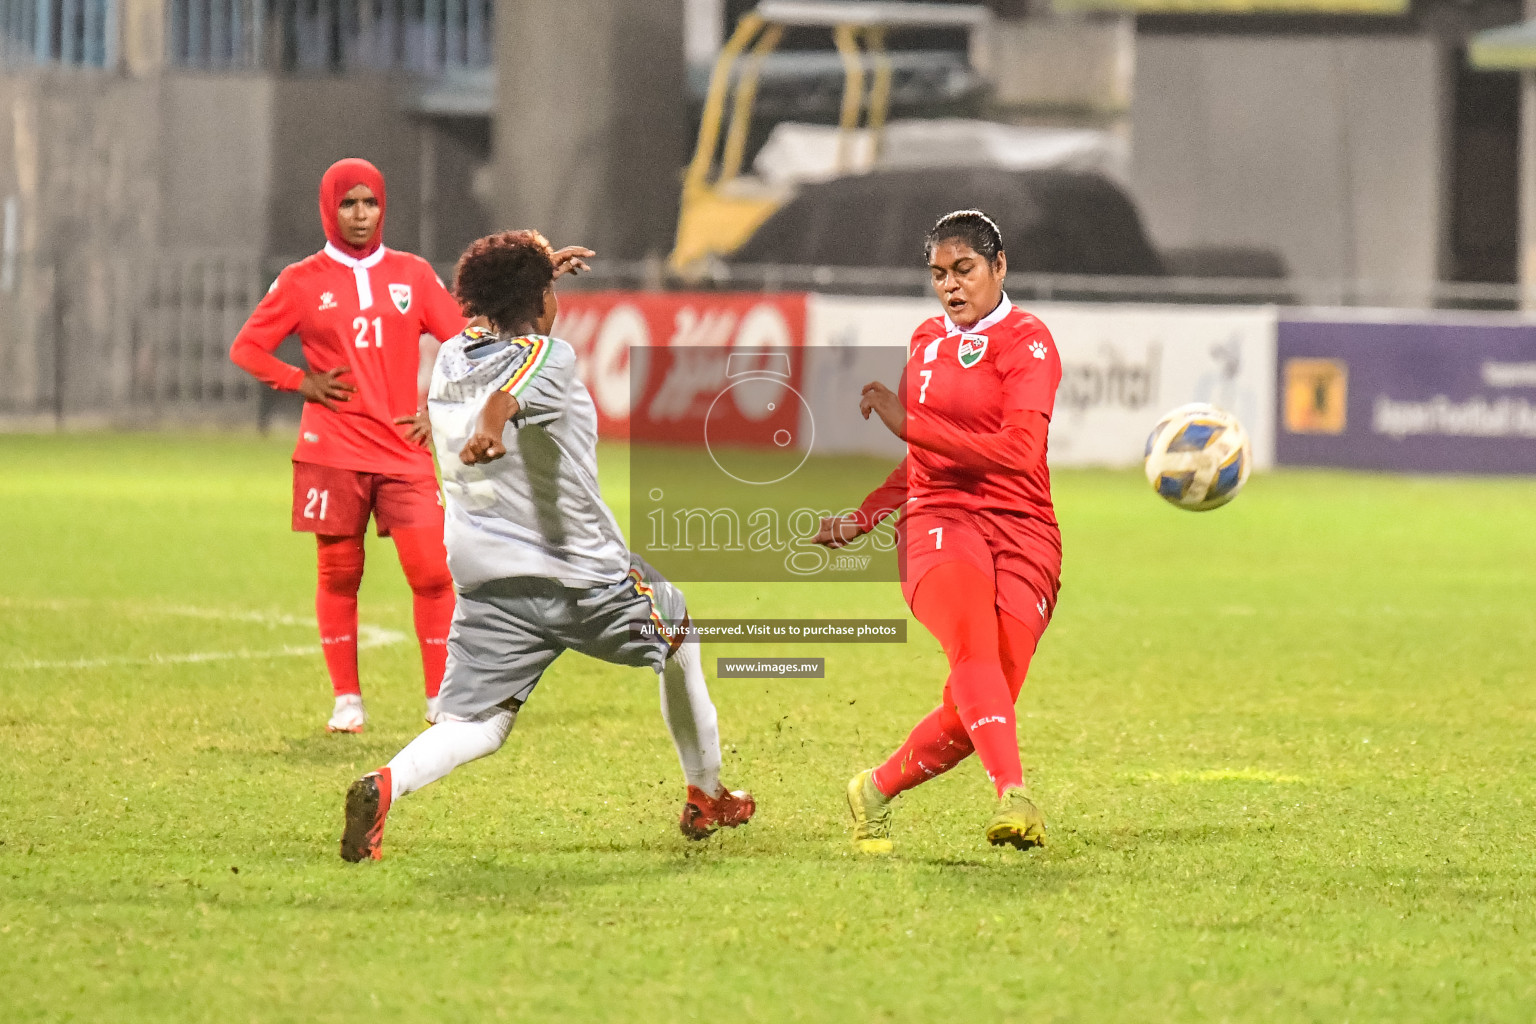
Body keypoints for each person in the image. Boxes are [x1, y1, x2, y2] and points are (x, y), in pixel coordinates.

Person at [339, 229, 754, 861]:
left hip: (486, 583)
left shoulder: (449, 357)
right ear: (535, 305)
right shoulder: (549, 357)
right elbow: (513, 388)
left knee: (476, 725)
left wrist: (537, 276)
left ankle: (385, 783)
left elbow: (495, 326)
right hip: (581, 577)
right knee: (680, 635)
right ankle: (706, 792)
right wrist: (489, 426)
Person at [812, 209, 1063, 854]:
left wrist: (911, 426)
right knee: (973, 652)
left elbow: (1018, 450)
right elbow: (924, 457)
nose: (950, 286)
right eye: (938, 274)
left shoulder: (1029, 342)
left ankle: (872, 789)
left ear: (999, 267)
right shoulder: (925, 341)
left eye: (964, 270)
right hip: (939, 519)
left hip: (1024, 528)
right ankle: (1015, 794)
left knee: (979, 707)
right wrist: (867, 515)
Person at [229, 158, 468, 733]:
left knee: (433, 572)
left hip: (402, 452)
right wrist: (299, 382)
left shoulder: (411, 274)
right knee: (339, 573)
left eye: (371, 203)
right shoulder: (300, 280)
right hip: (331, 450)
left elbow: (463, 342)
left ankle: (441, 699)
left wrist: (437, 412)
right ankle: (347, 701)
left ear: (384, 207)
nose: (361, 215)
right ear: (328, 208)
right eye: (348, 204)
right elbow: (248, 348)